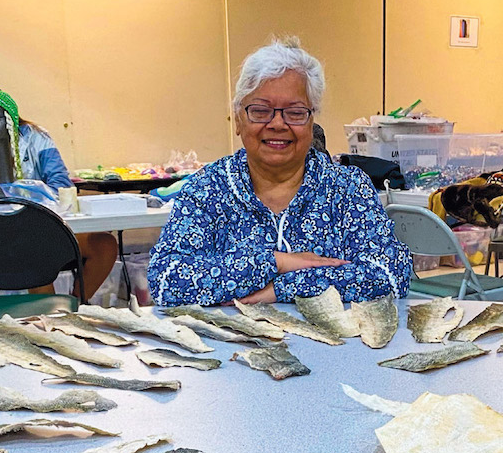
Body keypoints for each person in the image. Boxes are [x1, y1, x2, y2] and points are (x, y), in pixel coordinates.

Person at [148, 39, 410, 307]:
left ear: (311, 121)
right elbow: (166, 280)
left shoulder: (347, 187)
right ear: (238, 120)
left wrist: (280, 289)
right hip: (232, 346)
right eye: (260, 111)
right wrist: (277, 262)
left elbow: (390, 274)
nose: (277, 124)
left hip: (334, 346)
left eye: (295, 113)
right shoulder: (208, 188)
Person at [0, 81, 117, 299]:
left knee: (104, 245)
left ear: (9, 112)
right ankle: (54, 320)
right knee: (33, 255)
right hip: (2, 237)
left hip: (46, 226)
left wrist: (31, 196)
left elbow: (62, 185)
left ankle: (73, 309)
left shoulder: (35, 137)